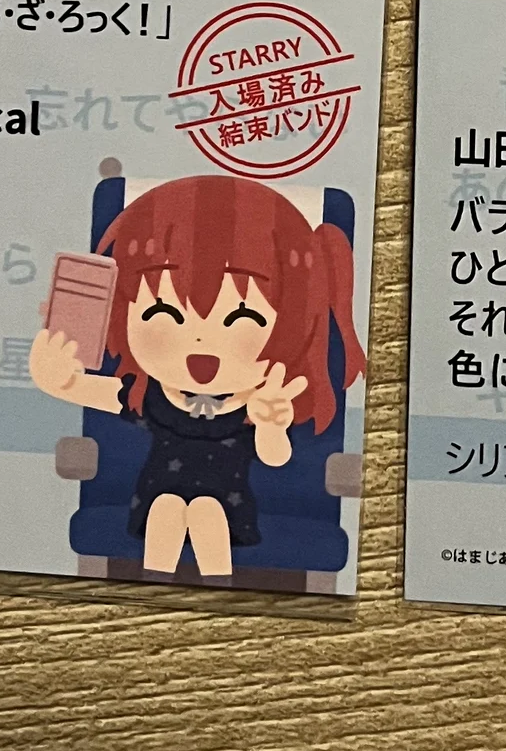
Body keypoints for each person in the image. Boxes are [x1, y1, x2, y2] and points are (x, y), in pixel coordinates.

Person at [30, 175, 364, 581]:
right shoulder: (151, 396)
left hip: (230, 503)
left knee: (207, 512)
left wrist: (272, 425)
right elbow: (81, 388)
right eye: (162, 313)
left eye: (243, 318)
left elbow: (275, 457)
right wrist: (55, 377)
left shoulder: (259, 402)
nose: (201, 346)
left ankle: (217, 589)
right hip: (156, 495)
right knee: (166, 508)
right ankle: (155, 589)